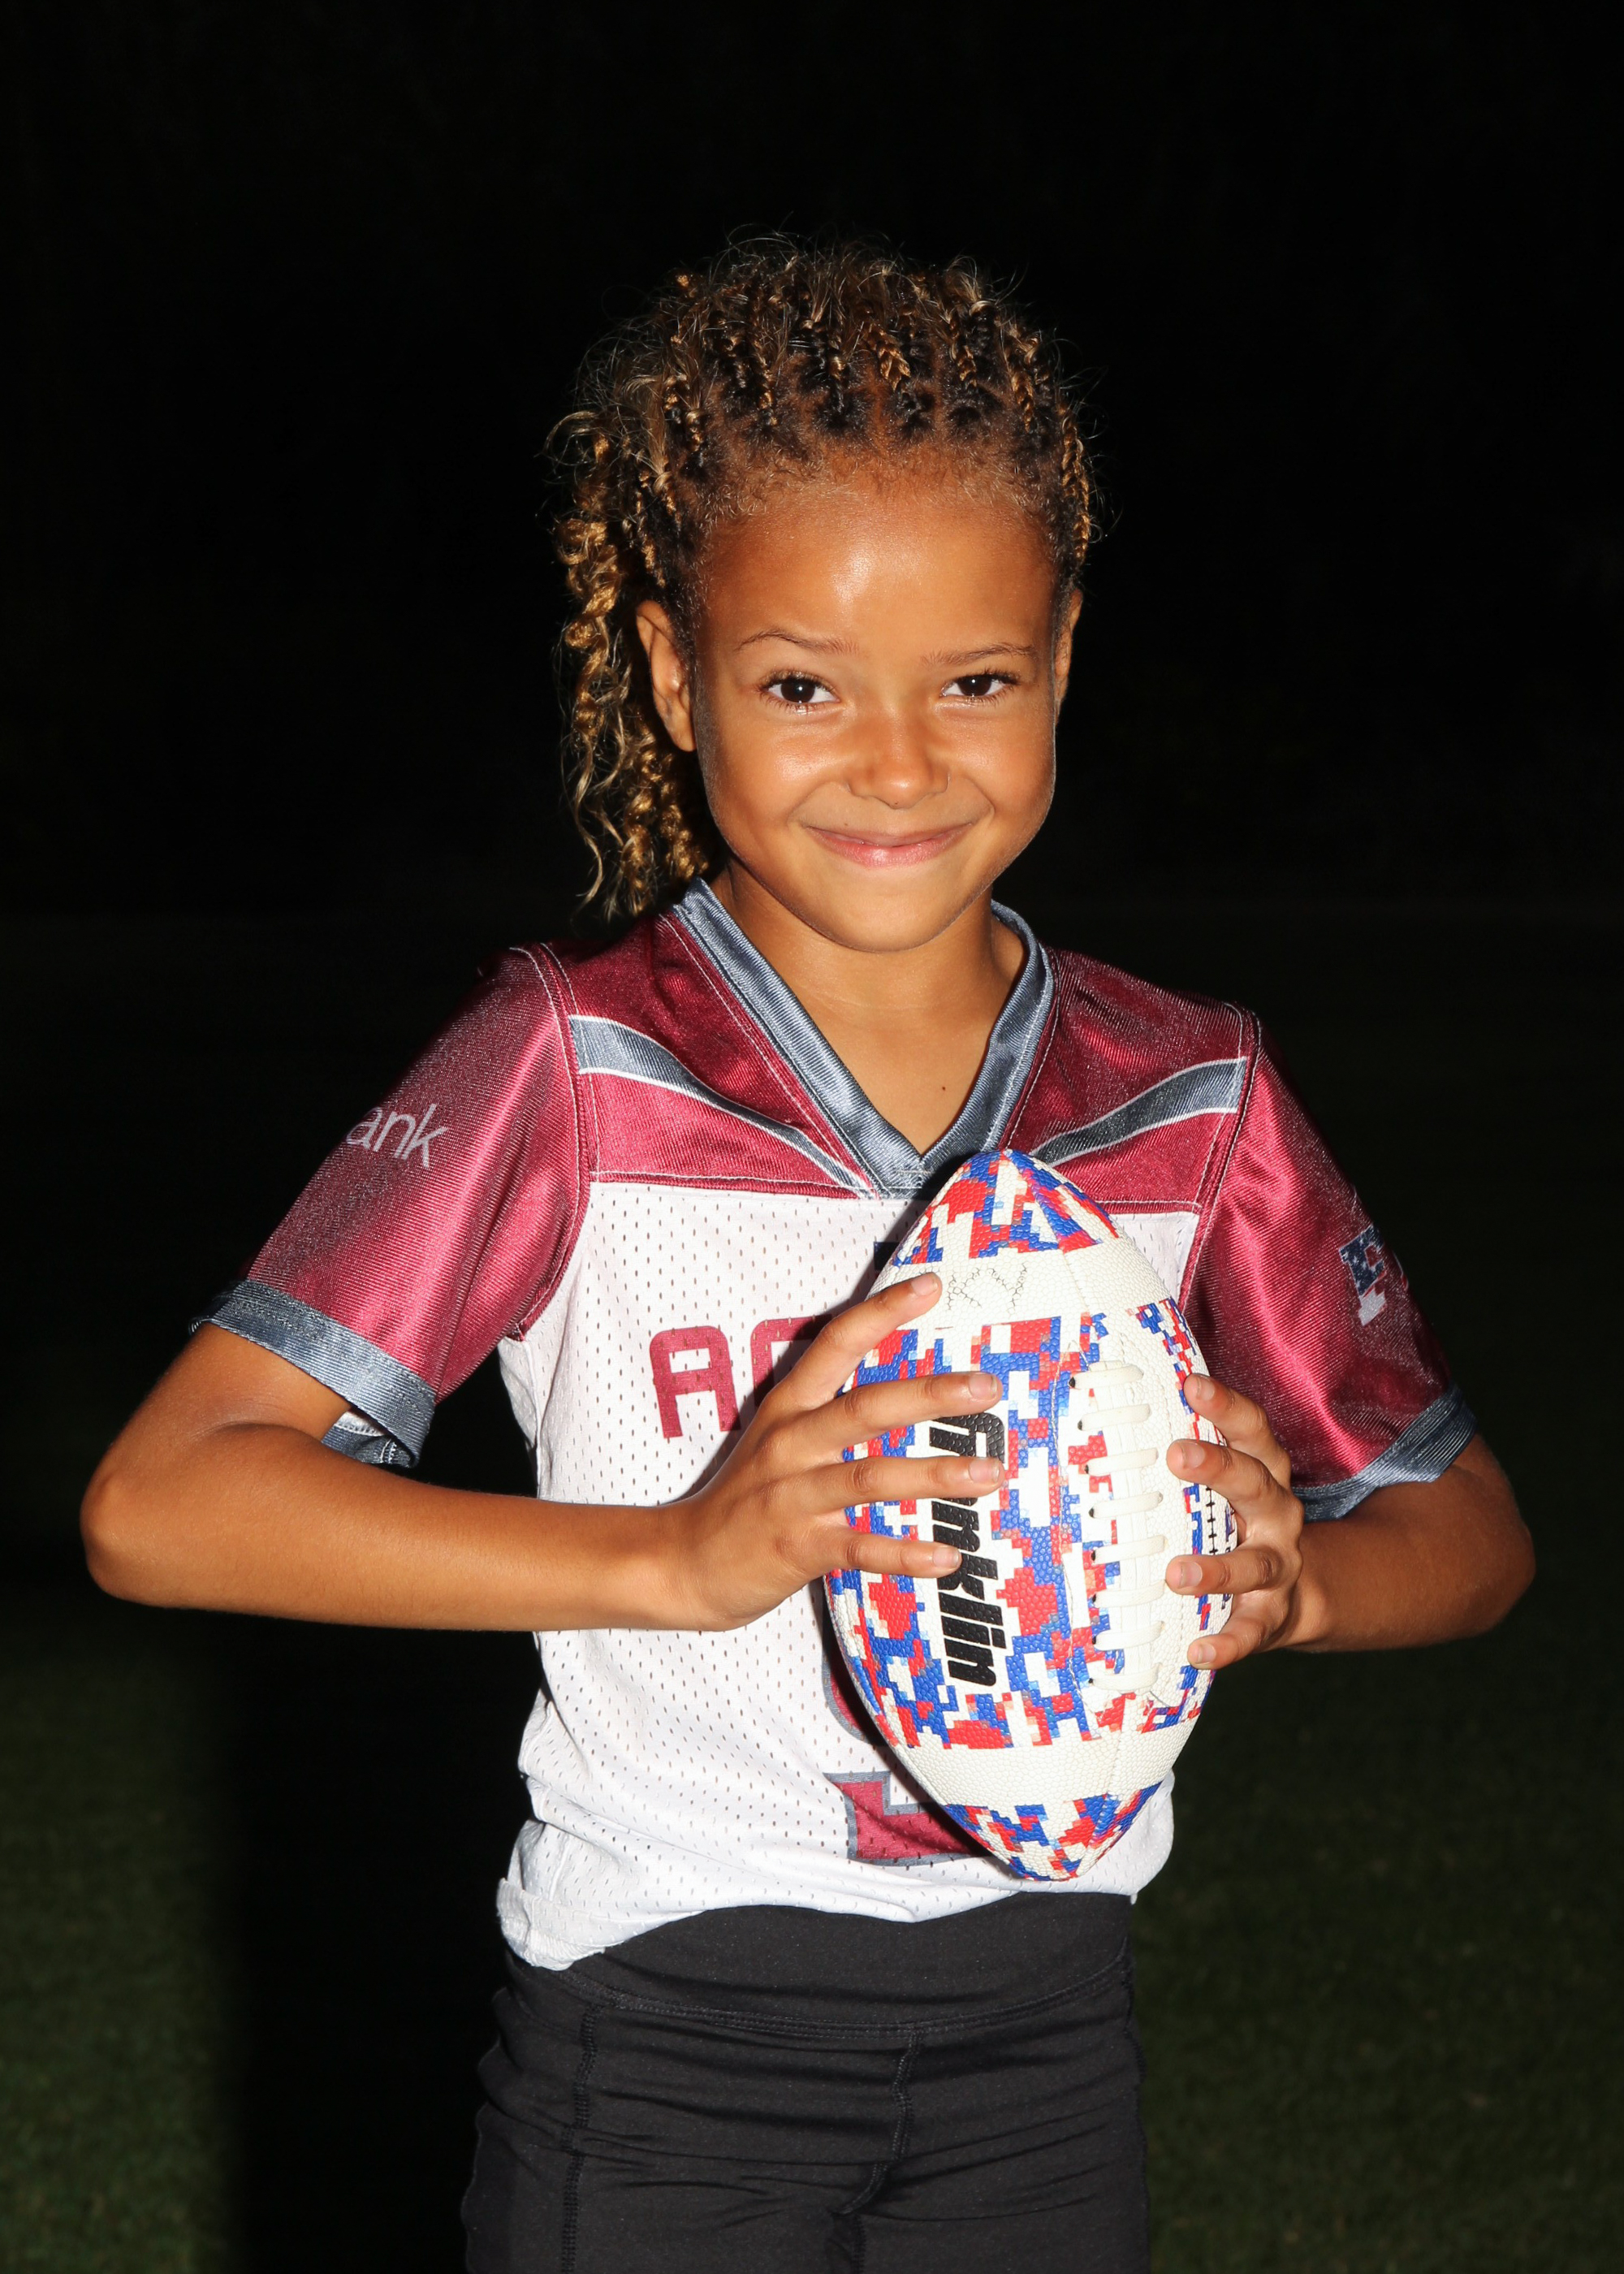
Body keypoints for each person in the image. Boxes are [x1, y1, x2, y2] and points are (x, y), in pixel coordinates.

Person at [83, 240, 1533, 2273]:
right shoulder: (576, 1065)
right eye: (799, 683)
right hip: (660, 2038)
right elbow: (161, 1503)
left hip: (1047, 2032)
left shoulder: (1184, 1093)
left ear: (1063, 656)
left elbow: (1472, 1535)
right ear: (675, 678)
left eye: (974, 679)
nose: (898, 759)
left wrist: (1294, 1585)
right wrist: (674, 1560)